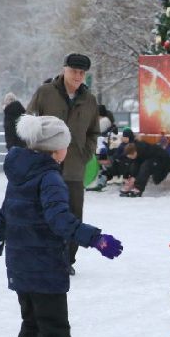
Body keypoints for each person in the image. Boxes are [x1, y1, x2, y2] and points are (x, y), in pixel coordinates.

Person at [0, 115, 123, 337]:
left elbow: (4, 216)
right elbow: (60, 220)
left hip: (20, 268)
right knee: (54, 328)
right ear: (57, 149)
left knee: (31, 324)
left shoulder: (20, 174)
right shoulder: (50, 177)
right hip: (44, 267)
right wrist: (96, 239)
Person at [26, 54, 102, 272]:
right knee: (43, 211)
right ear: (64, 70)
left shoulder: (89, 100)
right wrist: (36, 153)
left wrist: (85, 153)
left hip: (75, 168)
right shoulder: (45, 92)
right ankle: (43, 256)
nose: (78, 76)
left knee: (73, 214)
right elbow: (28, 122)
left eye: (82, 72)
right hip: (45, 166)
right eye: (74, 71)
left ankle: (67, 260)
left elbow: (93, 132)